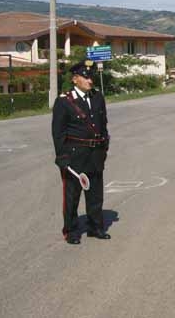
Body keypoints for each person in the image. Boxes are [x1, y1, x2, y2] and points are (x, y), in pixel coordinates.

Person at [52, 60, 111, 244]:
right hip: (75, 155)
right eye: (86, 77)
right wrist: (62, 157)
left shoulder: (97, 97)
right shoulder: (64, 102)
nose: (90, 80)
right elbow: (58, 132)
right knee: (72, 196)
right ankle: (71, 231)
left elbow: (103, 124)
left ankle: (96, 227)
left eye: (91, 76)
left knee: (95, 193)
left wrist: (104, 146)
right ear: (75, 79)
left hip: (95, 154)